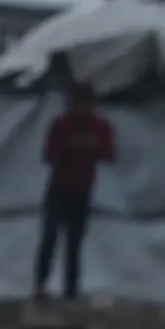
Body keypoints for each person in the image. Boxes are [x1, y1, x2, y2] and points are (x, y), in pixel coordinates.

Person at [35, 81, 115, 303]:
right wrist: (72, 147)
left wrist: (88, 146)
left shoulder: (99, 126)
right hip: (59, 188)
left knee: (74, 244)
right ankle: (40, 286)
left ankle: (70, 291)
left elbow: (109, 154)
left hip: (82, 191)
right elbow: (48, 154)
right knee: (50, 239)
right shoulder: (61, 124)